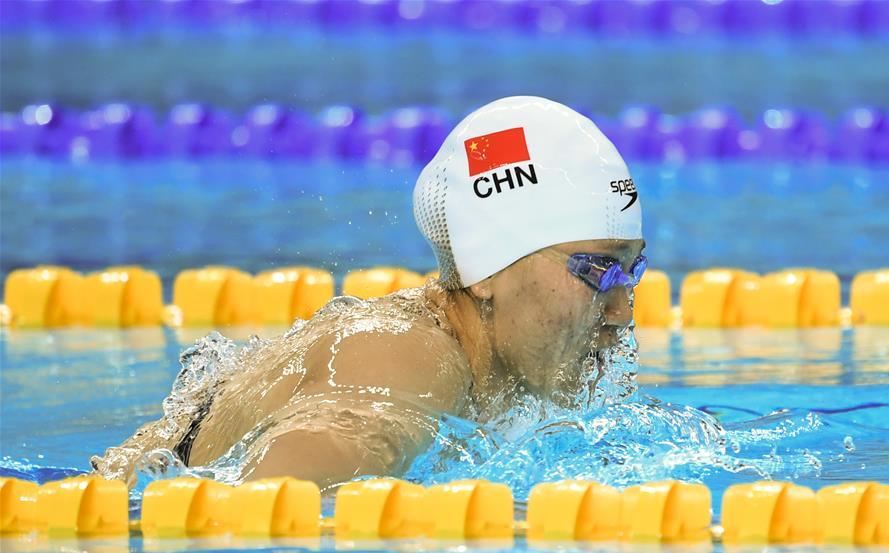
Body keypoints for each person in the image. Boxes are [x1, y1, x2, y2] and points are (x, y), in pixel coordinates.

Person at [91, 96, 645, 488]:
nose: (621, 310)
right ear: (486, 270)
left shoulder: (492, 377)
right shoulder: (404, 360)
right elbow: (268, 506)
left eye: (630, 271)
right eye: (596, 270)